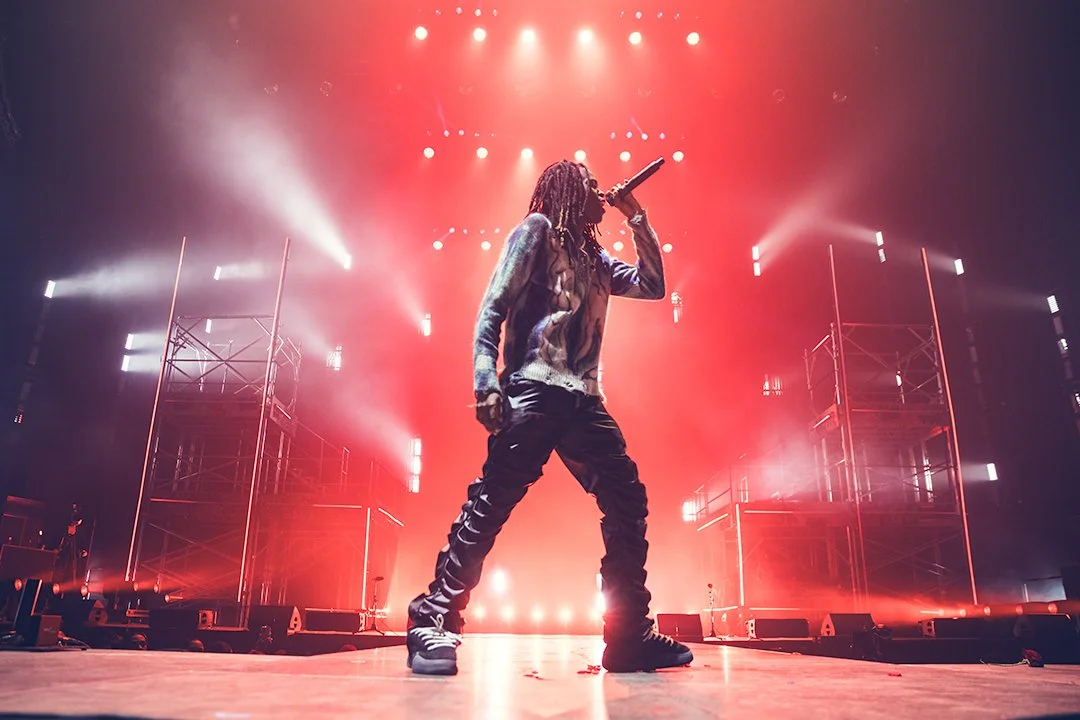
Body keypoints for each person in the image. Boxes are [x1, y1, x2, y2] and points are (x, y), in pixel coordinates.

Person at [406, 159, 693, 675]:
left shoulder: (596, 260)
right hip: (534, 387)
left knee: (627, 501)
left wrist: (636, 216)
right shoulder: (536, 232)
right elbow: (492, 308)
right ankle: (434, 615)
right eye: (588, 183)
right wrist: (485, 383)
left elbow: (653, 285)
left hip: (584, 399)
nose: (598, 189)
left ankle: (628, 635)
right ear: (566, 191)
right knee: (493, 500)